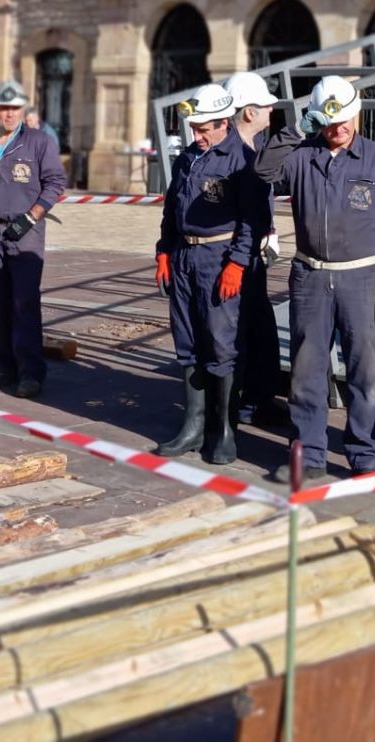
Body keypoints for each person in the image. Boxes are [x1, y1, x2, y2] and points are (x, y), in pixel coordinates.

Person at [253, 76, 375, 484]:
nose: (337, 128)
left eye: (344, 120)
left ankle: (366, 455)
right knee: (307, 372)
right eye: (328, 121)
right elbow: (264, 169)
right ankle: (309, 455)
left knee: (366, 372)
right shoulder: (302, 156)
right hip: (311, 276)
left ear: (357, 114)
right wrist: (297, 129)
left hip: (364, 277)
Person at [152, 84, 259, 464]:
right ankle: (193, 426)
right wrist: (164, 250)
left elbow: (253, 219)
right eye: (194, 128)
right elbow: (171, 209)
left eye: (204, 129)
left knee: (221, 343)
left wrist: (237, 262)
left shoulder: (242, 160)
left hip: (219, 256)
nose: (196, 135)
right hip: (184, 255)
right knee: (188, 341)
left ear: (224, 122)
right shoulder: (187, 160)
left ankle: (224, 428)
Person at [0, 80, 66, 399]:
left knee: (24, 300)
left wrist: (31, 216)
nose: (9, 114)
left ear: (23, 110)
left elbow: (54, 183)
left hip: (26, 228)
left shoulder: (38, 142)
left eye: (15, 108)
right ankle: (4, 365)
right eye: (4, 108)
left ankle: (30, 372)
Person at [223, 70, 283, 425]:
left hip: (253, 253)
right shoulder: (233, 153)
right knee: (242, 329)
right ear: (248, 112)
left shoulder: (254, 148)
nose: (270, 112)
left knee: (261, 327)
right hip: (237, 255)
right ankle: (242, 403)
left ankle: (259, 398)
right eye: (265, 106)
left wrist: (271, 229)